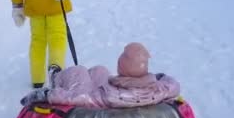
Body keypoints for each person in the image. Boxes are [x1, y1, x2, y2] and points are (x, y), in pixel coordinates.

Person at [20, 43, 180, 108]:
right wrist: (157, 77)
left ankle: (56, 78)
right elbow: (173, 85)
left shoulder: (108, 95)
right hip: (127, 92)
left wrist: (45, 94)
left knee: (79, 71)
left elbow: (76, 98)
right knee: (100, 71)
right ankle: (70, 75)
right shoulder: (159, 89)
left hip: (94, 105)